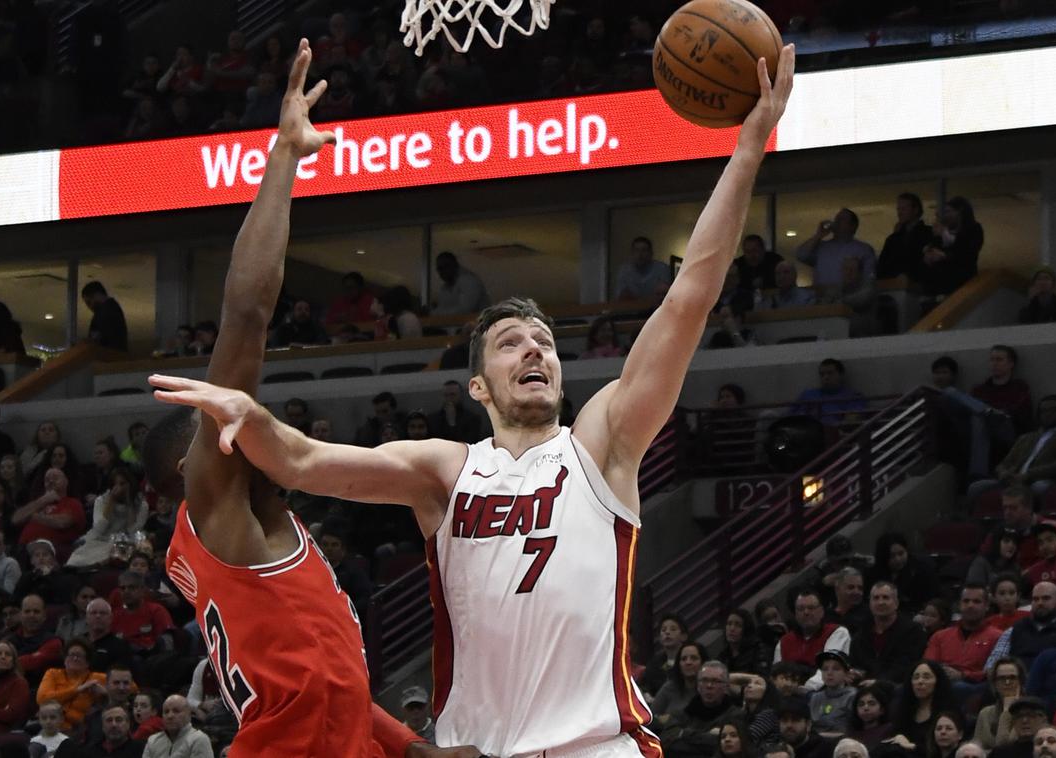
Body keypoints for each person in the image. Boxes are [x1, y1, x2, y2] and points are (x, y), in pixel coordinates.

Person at [149, 42, 794, 758]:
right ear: (479, 386)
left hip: (598, 747)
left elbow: (688, 298)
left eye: (544, 341)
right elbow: (299, 459)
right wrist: (247, 417)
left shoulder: (603, 442)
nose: (535, 349)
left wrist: (746, 153)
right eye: (512, 340)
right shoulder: (445, 471)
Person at [141, 39, 475, 758]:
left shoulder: (267, 534)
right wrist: (284, 160)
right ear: (201, 464)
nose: (262, 426)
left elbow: (333, 685)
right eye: (235, 429)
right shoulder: (221, 512)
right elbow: (248, 317)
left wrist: (418, 752)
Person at [923, 583, 1001, 702]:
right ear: (959, 605)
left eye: (976, 601)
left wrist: (963, 675)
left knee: (959, 688)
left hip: (975, 688)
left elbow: (993, 673)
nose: (970, 605)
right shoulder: (940, 636)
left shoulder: (997, 637)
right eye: (966, 601)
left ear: (986, 606)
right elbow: (928, 665)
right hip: (940, 682)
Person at [849, 580, 928, 684]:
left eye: (885, 597)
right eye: (876, 598)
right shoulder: (860, 635)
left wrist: (879, 682)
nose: (880, 602)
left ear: (896, 603)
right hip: (864, 689)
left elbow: (906, 666)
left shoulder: (913, 632)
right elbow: (856, 664)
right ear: (870, 604)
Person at [67, 468, 147, 569]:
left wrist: (130, 503)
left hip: (123, 542)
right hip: (100, 538)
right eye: (115, 484)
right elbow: (99, 528)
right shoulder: (101, 501)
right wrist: (111, 501)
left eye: (122, 484)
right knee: (78, 558)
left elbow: (133, 531)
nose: (119, 488)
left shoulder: (142, 505)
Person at [774, 588, 852, 692]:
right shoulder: (783, 642)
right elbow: (776, 676)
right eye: (801, 609)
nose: (806, 612)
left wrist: (805, 688)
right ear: (795, 613)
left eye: (811, 608)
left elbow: (829, 670)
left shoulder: (837, 632)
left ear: (822, 611)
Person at [660, 662, 743, 757]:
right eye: (704, 680)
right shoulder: (682, 714)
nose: (709, 686)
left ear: (726, 686)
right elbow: (665, 741)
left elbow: (721, 745)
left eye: (716, 681)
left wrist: (683, 733)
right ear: (698, 686)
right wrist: (706, 737)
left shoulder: (736, 716)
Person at [988, 582, 1056, 675]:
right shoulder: (1016, 628)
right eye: (1035, 599)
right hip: (1016, 684)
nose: (1040, 603)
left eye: (1046, 598)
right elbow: (993, 664)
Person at [36, 639, 107, 733]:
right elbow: (42, 699)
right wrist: (76, 690)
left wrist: (106, 693)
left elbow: (130, 688)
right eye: (71, 655)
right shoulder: (53, 673)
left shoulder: (97, 678)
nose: (74, 658)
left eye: (79, 656)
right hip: (50, 727)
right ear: (65, 658)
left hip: (81, 730)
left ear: (88, 661)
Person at [888, 660, 958, 755]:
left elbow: (944, 749)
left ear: (937, 681)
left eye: (926, 677)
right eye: (916, 677)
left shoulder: (949, 711)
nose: (920, 681)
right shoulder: (903, 710)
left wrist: (911, 746)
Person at [795, 209, 877, 287]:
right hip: (822, 298)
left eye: (842, 219)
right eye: (836, 218)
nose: (836, 222)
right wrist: (818, 235)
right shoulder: (821, 247)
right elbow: (801, 255)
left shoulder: (864, 250)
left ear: (853, 226)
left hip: (849, 297)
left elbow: (869, 280)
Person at [922, 197, 984, 301]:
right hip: (939, 286)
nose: (946, 216)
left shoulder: (974, 229)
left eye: (949, 211)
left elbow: (967, 252)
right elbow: (933, 249)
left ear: (960, 211)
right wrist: (929, 253)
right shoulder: (942, 233)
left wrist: (944, 254)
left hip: (963, 284)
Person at [867, 533, 939, 614]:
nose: (898, 559)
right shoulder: (874, 573)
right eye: (892, 556)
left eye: (901, 553)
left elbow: (932, 598)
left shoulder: (922, 569)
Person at [3, 594, 63, 686]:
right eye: (27, 611)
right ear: (20, 615)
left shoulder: (54, 641)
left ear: (44, 615)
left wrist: (4, 662)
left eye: (36, 611)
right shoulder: (8, 639)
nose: (31, 615)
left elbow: (35, 662)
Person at [789, 360, 867, 429]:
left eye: (830, 373)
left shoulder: (853, 396)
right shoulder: (808, 395)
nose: (825, 377)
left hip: (834, 436)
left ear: (841, 375)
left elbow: (851, 421)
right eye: (822, 374)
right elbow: (788, 417)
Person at [877, 193, 933, 284]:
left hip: (921, 288)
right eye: (898, 209)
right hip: (892, 288)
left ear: (915, 210)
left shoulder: (929, 234)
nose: (899, 213)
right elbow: (882, 267)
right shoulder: (892, 239)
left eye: (903, 209)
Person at [977, 658, 1028, 750]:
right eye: (1002, 678)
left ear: (1021, 681)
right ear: (995, 683)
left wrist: (1007, 711)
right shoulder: (985, 714)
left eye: (1012, 678)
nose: (1007, 682)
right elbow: (976, 749)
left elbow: (1004, 747)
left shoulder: (1030, 714)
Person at [651, 642, 707, 726]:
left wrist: (670, 719)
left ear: (703, 662)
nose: (688, 662)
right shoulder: (669, 688)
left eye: (694, 658)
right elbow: (650, 719)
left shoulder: (710, 688)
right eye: (684, 659)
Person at [57, 704, 143, 758]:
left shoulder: (141, 750)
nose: (114, 724)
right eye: (109, 720)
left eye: (119, 720)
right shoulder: (89, 752)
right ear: (102, 726)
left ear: (128, 724)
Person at [141, 695, 211, 758]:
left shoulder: (199, 739)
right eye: (166, 712)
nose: (170, 716)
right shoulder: (152, 740)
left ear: (189, 715)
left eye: (176, 711)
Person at [810, 650, 856, 736]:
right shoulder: (815, 697)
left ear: (846, 673)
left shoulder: (852, 696)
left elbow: (852, 730)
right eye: (825, 669)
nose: (829, 673)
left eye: (836, 669)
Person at [642, 614, 690, 696]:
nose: (667, 633)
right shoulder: (654, 664)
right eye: (663, 630)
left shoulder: (689, 660)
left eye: (673, 629)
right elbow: (646, 687)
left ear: (684, 636)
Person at [615, 236, 671, 301]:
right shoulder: (624, 270)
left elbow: (663, 295)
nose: (640, 254)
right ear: (632, 253)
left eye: (644, 250)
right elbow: (621, 296)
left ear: (651, 253)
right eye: (636, 250)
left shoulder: (662, 268)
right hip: (632, 310)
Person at [722, 609, 772, 678]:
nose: (732, 628)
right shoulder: (723, 656)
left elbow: (761, 678)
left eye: (738, 625)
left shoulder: (759, 651)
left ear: (746, 629)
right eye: (729, 624)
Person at [85, 598, 131, 673]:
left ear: (111, 618)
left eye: (103, 613)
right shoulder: (78, 642)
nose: (98, 616)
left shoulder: (121, 646)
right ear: (86, 618)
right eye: (93, 613)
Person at [848, 682, 895, 750]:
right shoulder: (851, 733)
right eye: (861, 704)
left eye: (872, 703)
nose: (866, 708)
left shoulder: (889, 730)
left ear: (882, 710)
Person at [83, 281, 128, 352]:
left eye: (89, 302)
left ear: (97, 294)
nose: (90, 307)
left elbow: (98, 339)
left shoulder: (104, 312)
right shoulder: (113, 308)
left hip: (106, 357)